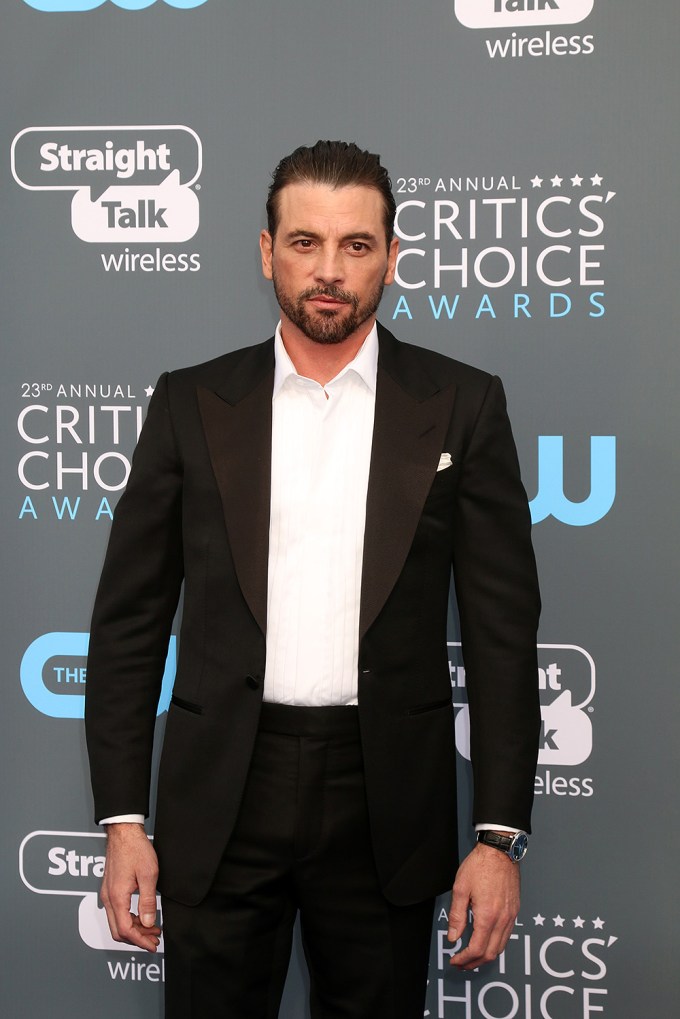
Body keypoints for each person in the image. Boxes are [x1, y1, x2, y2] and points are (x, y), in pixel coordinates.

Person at [85, 140, 541, 1019]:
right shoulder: (190, 402)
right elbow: (131, 622)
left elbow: (500, 633)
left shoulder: (462, 404)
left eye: (356, 246)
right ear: (267, 253)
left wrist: (497, 837)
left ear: (392, 258)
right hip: (221, 794)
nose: (328, 271)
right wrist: (122, 820)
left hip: (386, 803)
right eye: (304, 243)